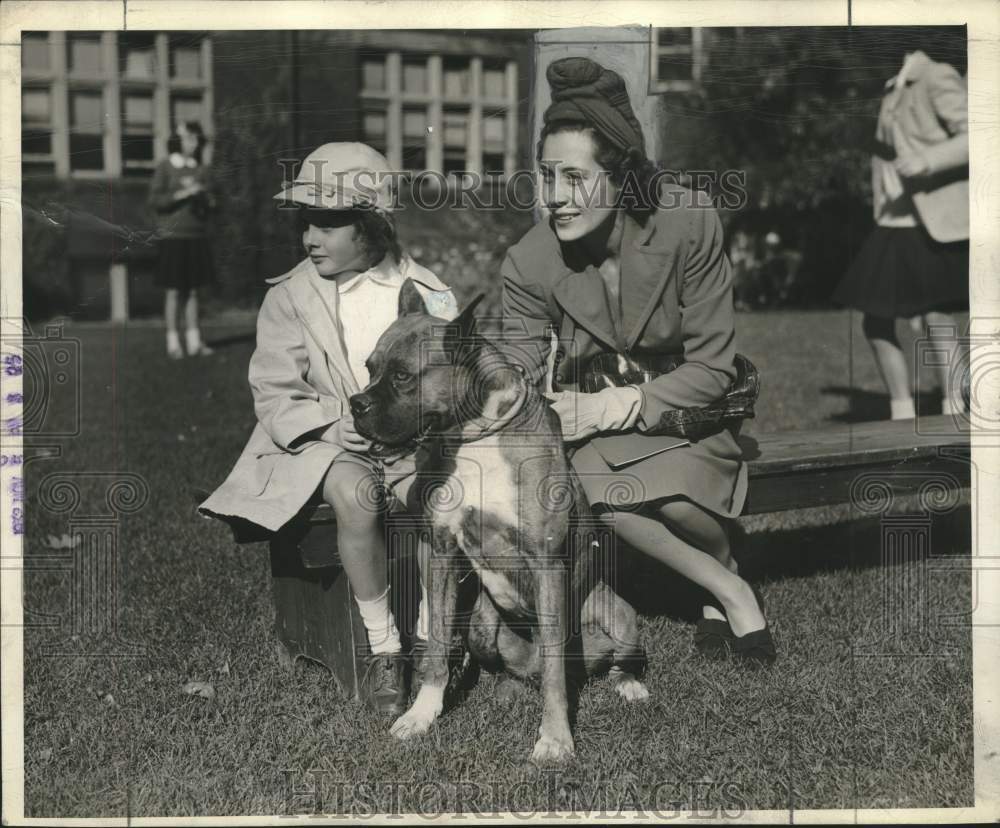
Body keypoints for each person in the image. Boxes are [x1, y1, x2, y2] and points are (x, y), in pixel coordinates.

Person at [501, 57, 774, 665]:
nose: (555, 199)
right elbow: (518, 360)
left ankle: (717, 569)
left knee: (678, 503)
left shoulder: (688, 219)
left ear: (622, 177)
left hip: (687, 410)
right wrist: (507, 381)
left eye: (574, 178)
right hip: (589, 431)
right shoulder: (529, 261)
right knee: (613, 492)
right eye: (546, 177)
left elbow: (712, 366)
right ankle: (730, 585)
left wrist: (618, 403)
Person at [199, 143, 458, 713]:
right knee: (355, 495)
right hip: (327, 444)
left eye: (328, 223)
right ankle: (383, 645)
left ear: (371, 225)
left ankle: (429, 636)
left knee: (437, 503)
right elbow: (274, 387)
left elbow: (449, 382)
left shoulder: (428, 293)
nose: (309, 237)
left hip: (413, 443)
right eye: (305, 222)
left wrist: (422, 436)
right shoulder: (292, 295)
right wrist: (332, 427)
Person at [833, 48, 969, 420]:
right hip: (894, 220)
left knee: (936, 316)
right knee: (876, 318)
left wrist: (928, 160)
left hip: (930, 219)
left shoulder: (935, 75)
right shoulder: (894, 85)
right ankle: (902, 413)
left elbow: (979, 135)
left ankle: (954, 412)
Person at [148, 121, 217, 359]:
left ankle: (194, 342)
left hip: (196, 235)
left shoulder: (201, 169)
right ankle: (173, 343)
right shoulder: (165, 167)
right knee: (175, 291)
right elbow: (156, 201)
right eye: (189, 138)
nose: (194, 143)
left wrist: (206, 199)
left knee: (194, 292)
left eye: (196, 139)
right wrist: (184, 193)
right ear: (178, 140)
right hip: (173, 237)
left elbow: (210, 204)